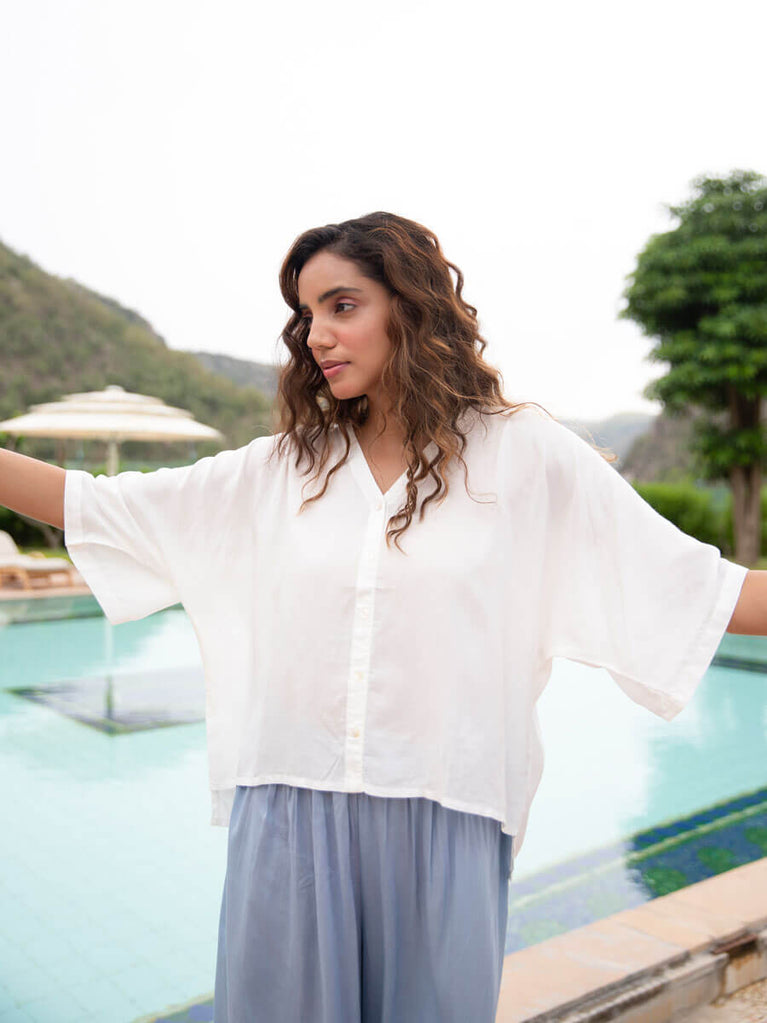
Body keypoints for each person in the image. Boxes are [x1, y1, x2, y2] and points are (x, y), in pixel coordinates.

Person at [1, 211, 766, 1023]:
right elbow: (92, 506)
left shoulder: (525, 454)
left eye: (341, 305)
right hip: (289, 814)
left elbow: (702, 592)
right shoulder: (281, 470)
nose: (315, 335)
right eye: (305, 315)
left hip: (447, 817)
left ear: (411, 304)